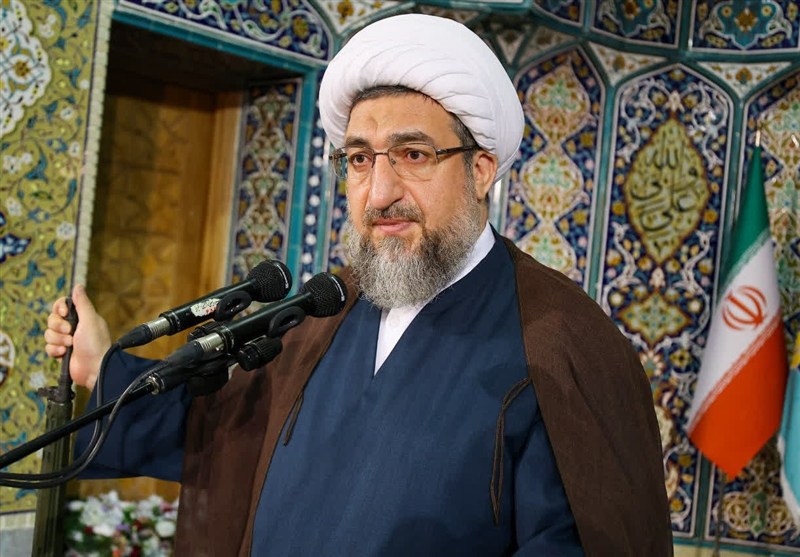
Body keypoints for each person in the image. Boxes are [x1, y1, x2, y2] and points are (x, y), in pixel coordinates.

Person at [45, 13, 672, 556]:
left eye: (414, 154)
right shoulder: (327, 310)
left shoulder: (561, 342)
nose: (379, 193)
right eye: (359, 159)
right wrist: (101, 368)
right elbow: (222, 435)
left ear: (481, 170)